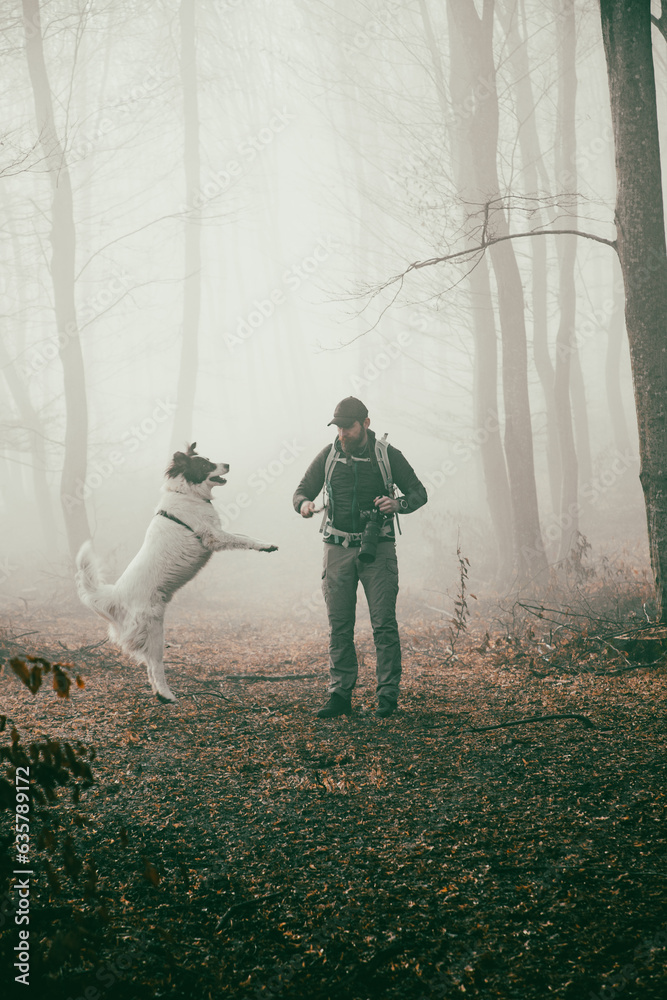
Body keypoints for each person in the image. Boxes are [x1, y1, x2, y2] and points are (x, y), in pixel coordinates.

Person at [293, 396, 427, 719]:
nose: (342, 434)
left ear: (365, 424)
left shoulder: (387, 456)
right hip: (336, 548)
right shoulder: (329, 456)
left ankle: (387, 697)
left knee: (383, 624)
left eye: (348, 427)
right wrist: (304, 506)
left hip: (377, 548)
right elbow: (300, 492)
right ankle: (339, 695)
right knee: (339, 626)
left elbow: (419, 493)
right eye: (338, 427)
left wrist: (398, 505)